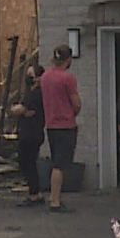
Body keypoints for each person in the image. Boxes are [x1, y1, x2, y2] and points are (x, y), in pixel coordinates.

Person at [40, 43, 81, 213]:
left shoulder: (45, 77)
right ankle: (55, 201)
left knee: (55, 159)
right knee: (60, 164)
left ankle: (53, 196)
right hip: (66, 125)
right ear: (68, 59)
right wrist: (73, 113)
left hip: (51, 125)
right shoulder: (67, 78)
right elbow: (76, 103)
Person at [10, 63, 45, 206]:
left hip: (31, 133)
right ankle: (35, 192)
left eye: (31, 75)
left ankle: (34, 194)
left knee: (27, 162)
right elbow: (23, 110)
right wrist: (23, 111)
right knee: (28, 162)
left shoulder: (36, 94)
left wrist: (18, 110)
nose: (28, 78)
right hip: (29, 132)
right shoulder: (31, 93)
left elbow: (19, 109)